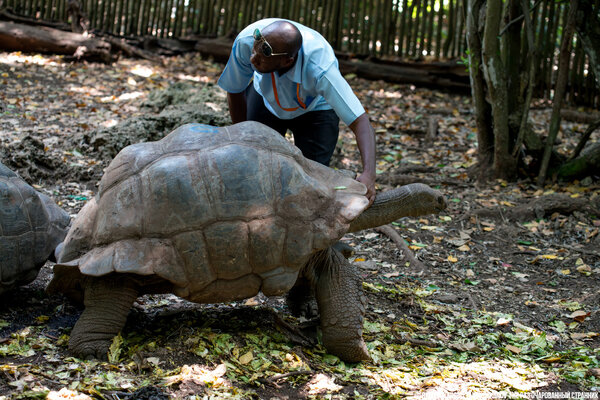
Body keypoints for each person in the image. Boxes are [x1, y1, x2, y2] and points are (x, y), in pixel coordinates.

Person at [218, 18, 376, 204]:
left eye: (262, 57)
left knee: (312, 184)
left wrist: (369, 174)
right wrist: (241, 138)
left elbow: (360, 121)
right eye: (254, 51)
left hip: (315, 110)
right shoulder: (247, 42)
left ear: (287, 61)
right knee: (255, 167)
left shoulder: (321, 69)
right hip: (265, 99)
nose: (253, 59)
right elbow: (235, 89)